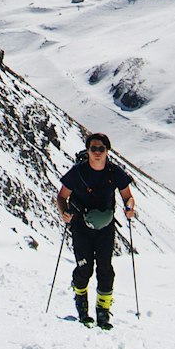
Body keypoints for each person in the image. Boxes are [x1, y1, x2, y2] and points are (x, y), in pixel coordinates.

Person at [55, 132, 135, 328]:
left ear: (107, 151)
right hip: (81, 227)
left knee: (105, 268)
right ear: (88, 150)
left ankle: (103, 312)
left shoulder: (114, 172)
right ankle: (82, 303)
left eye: (101, 149)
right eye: (93, 148)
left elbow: (127, 196)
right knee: (85, 267)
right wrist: (64, 212)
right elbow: (61, 197)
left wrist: (130, 207)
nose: (97, 152)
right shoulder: (78, 172)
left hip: (105, 228)